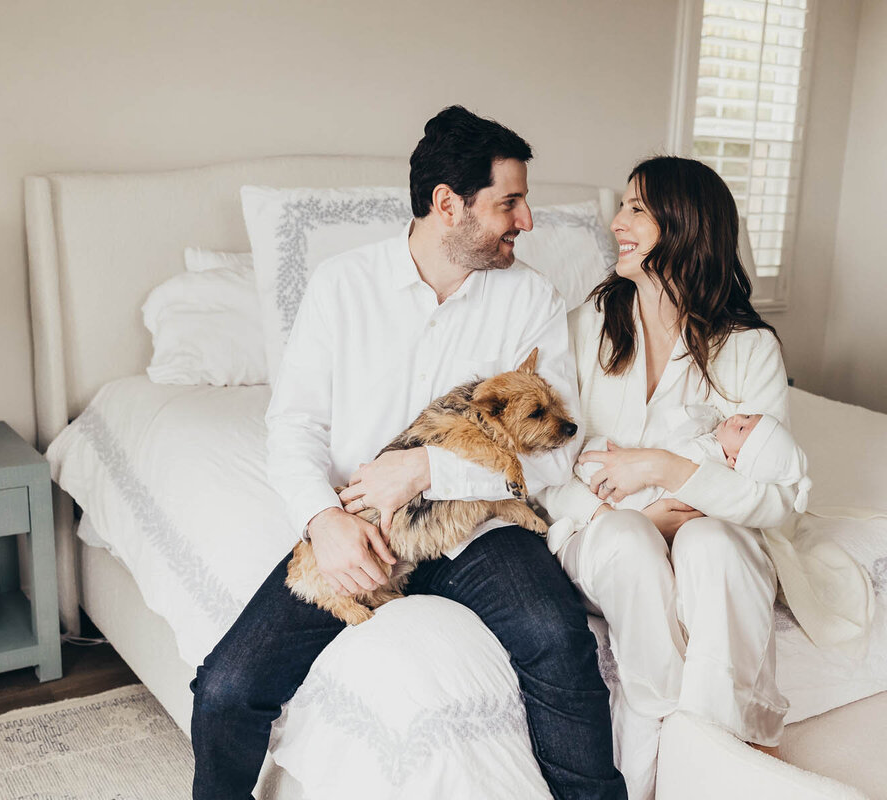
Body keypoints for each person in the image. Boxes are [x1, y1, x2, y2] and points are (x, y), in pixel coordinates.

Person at [190, 106, 627, 799]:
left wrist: (429, 468)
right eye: (509, 202)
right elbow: (295, 425)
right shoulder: (341, 287)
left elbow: (551, 458)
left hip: (480, 526)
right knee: (226, 688)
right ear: (446, 205)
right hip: (359, 524)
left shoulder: (532, 301)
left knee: (557, 635)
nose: (527, 220)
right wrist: (323, 521)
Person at [539, 156, 795, 748]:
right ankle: (665, 733)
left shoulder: (751, 349)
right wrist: (624, 516)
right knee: (630, 543)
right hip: (601, 531)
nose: (614, 222)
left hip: (713, 528)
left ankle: (711, 747)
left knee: (713, 546)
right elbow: (542, 462)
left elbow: (775, 495)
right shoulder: (583, 329)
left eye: (635, 208)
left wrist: (661, 468)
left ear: (684, 227)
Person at [574, 411, 812, 515]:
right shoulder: (713, 439)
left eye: (741, 428)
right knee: (600, 450)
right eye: (747, 416)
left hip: (644, 496)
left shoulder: (708, 459)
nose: (738, 417)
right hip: (632, 468)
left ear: (734, 460)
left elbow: (676, 441)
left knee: (598, 456)